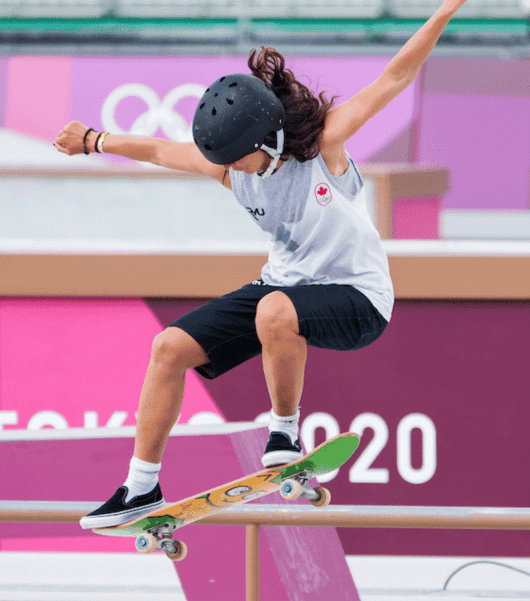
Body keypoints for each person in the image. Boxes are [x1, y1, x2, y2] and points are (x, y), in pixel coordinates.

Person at [55, 0, 467, 529]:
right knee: (168, 348)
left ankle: (284, 433)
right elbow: (159, 149)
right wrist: (93, 140)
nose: (227, 167)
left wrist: (445, 12)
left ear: (267, 139)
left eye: (234, 157)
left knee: (275, 309)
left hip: (358, 298)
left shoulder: (325, 146)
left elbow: (395, 76)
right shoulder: (231, 166)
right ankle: (140, 487)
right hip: (284, 289)